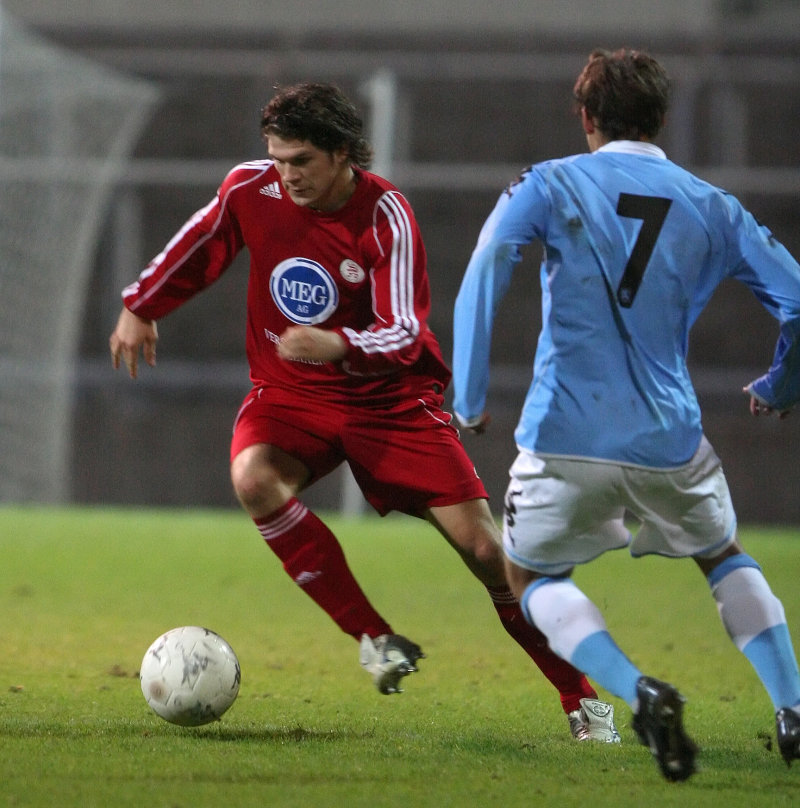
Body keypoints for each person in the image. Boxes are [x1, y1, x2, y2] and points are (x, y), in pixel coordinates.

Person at [109, 82, 618, 741]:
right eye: (279, 158)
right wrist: (141, 305)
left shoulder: (385, 215)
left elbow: (406, 330)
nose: (286, 175)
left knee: (490, 553)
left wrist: (339, 343)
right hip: (291, 396)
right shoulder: (250, 188)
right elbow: (200, 244)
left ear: (343, 154)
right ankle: (375, 639)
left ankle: (582, 702)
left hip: (391, 404)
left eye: (301, 161)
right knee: (253, 478)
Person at [452, 47, 800, 781]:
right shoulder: (714, 205)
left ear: (585, 116)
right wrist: (781, 383)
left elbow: (489, 261)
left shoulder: (550, 182)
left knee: (529, 576)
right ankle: (792, 706)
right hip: (670, 441)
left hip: (563, 438)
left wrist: (469, 395)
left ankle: (638, 690)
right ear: (662, 117)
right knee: (723, 555)